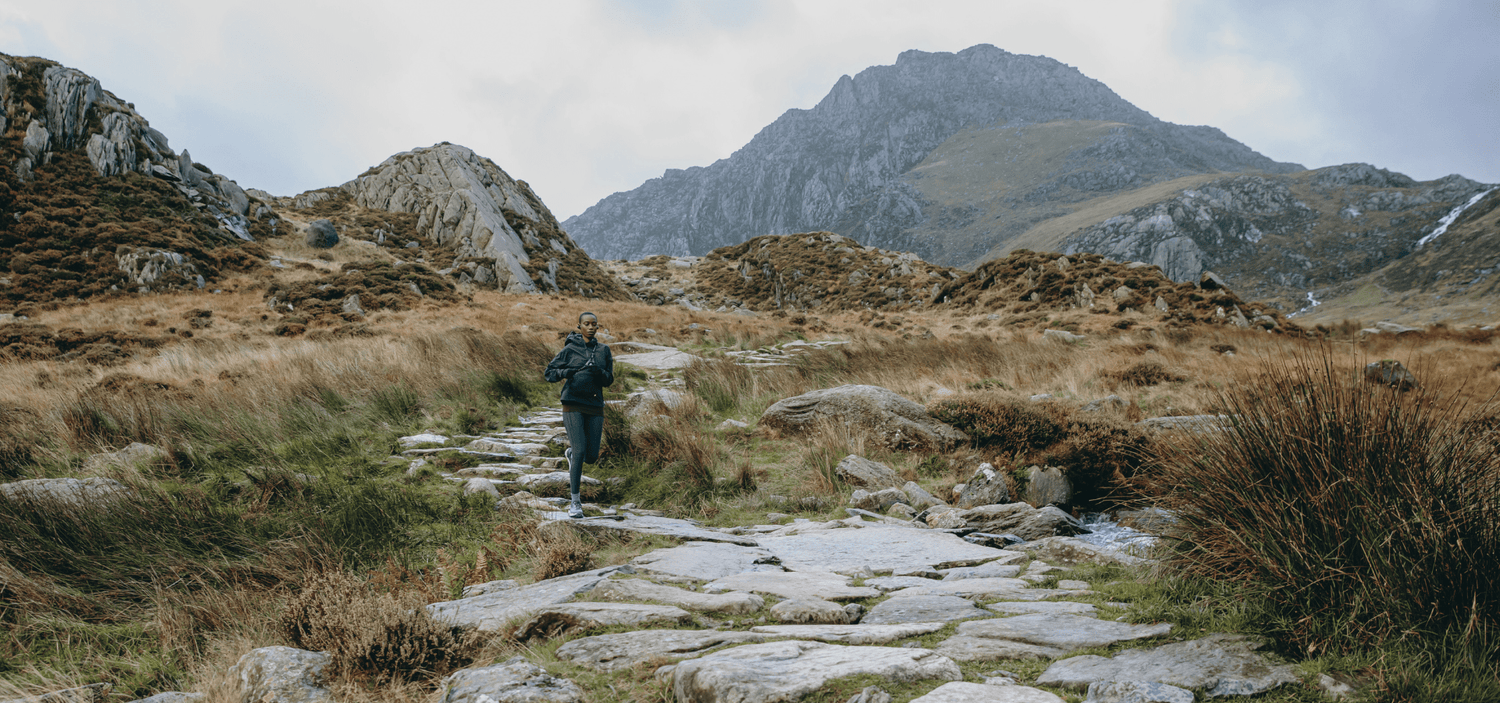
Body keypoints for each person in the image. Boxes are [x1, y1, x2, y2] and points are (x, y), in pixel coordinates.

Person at [543, 311, 614, 518]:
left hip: (595, 406)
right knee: (581, 449)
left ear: (597, 327)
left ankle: (572, 455)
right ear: (579, 326)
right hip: (572, 404)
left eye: (594, 324)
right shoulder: (570, 349)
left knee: (591, 457)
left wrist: (599, 372)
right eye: (586, 324)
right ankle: (575, 503)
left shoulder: (604, 350)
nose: (591, 327)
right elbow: (549, 373)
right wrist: (566, 372)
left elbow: (609, 380)